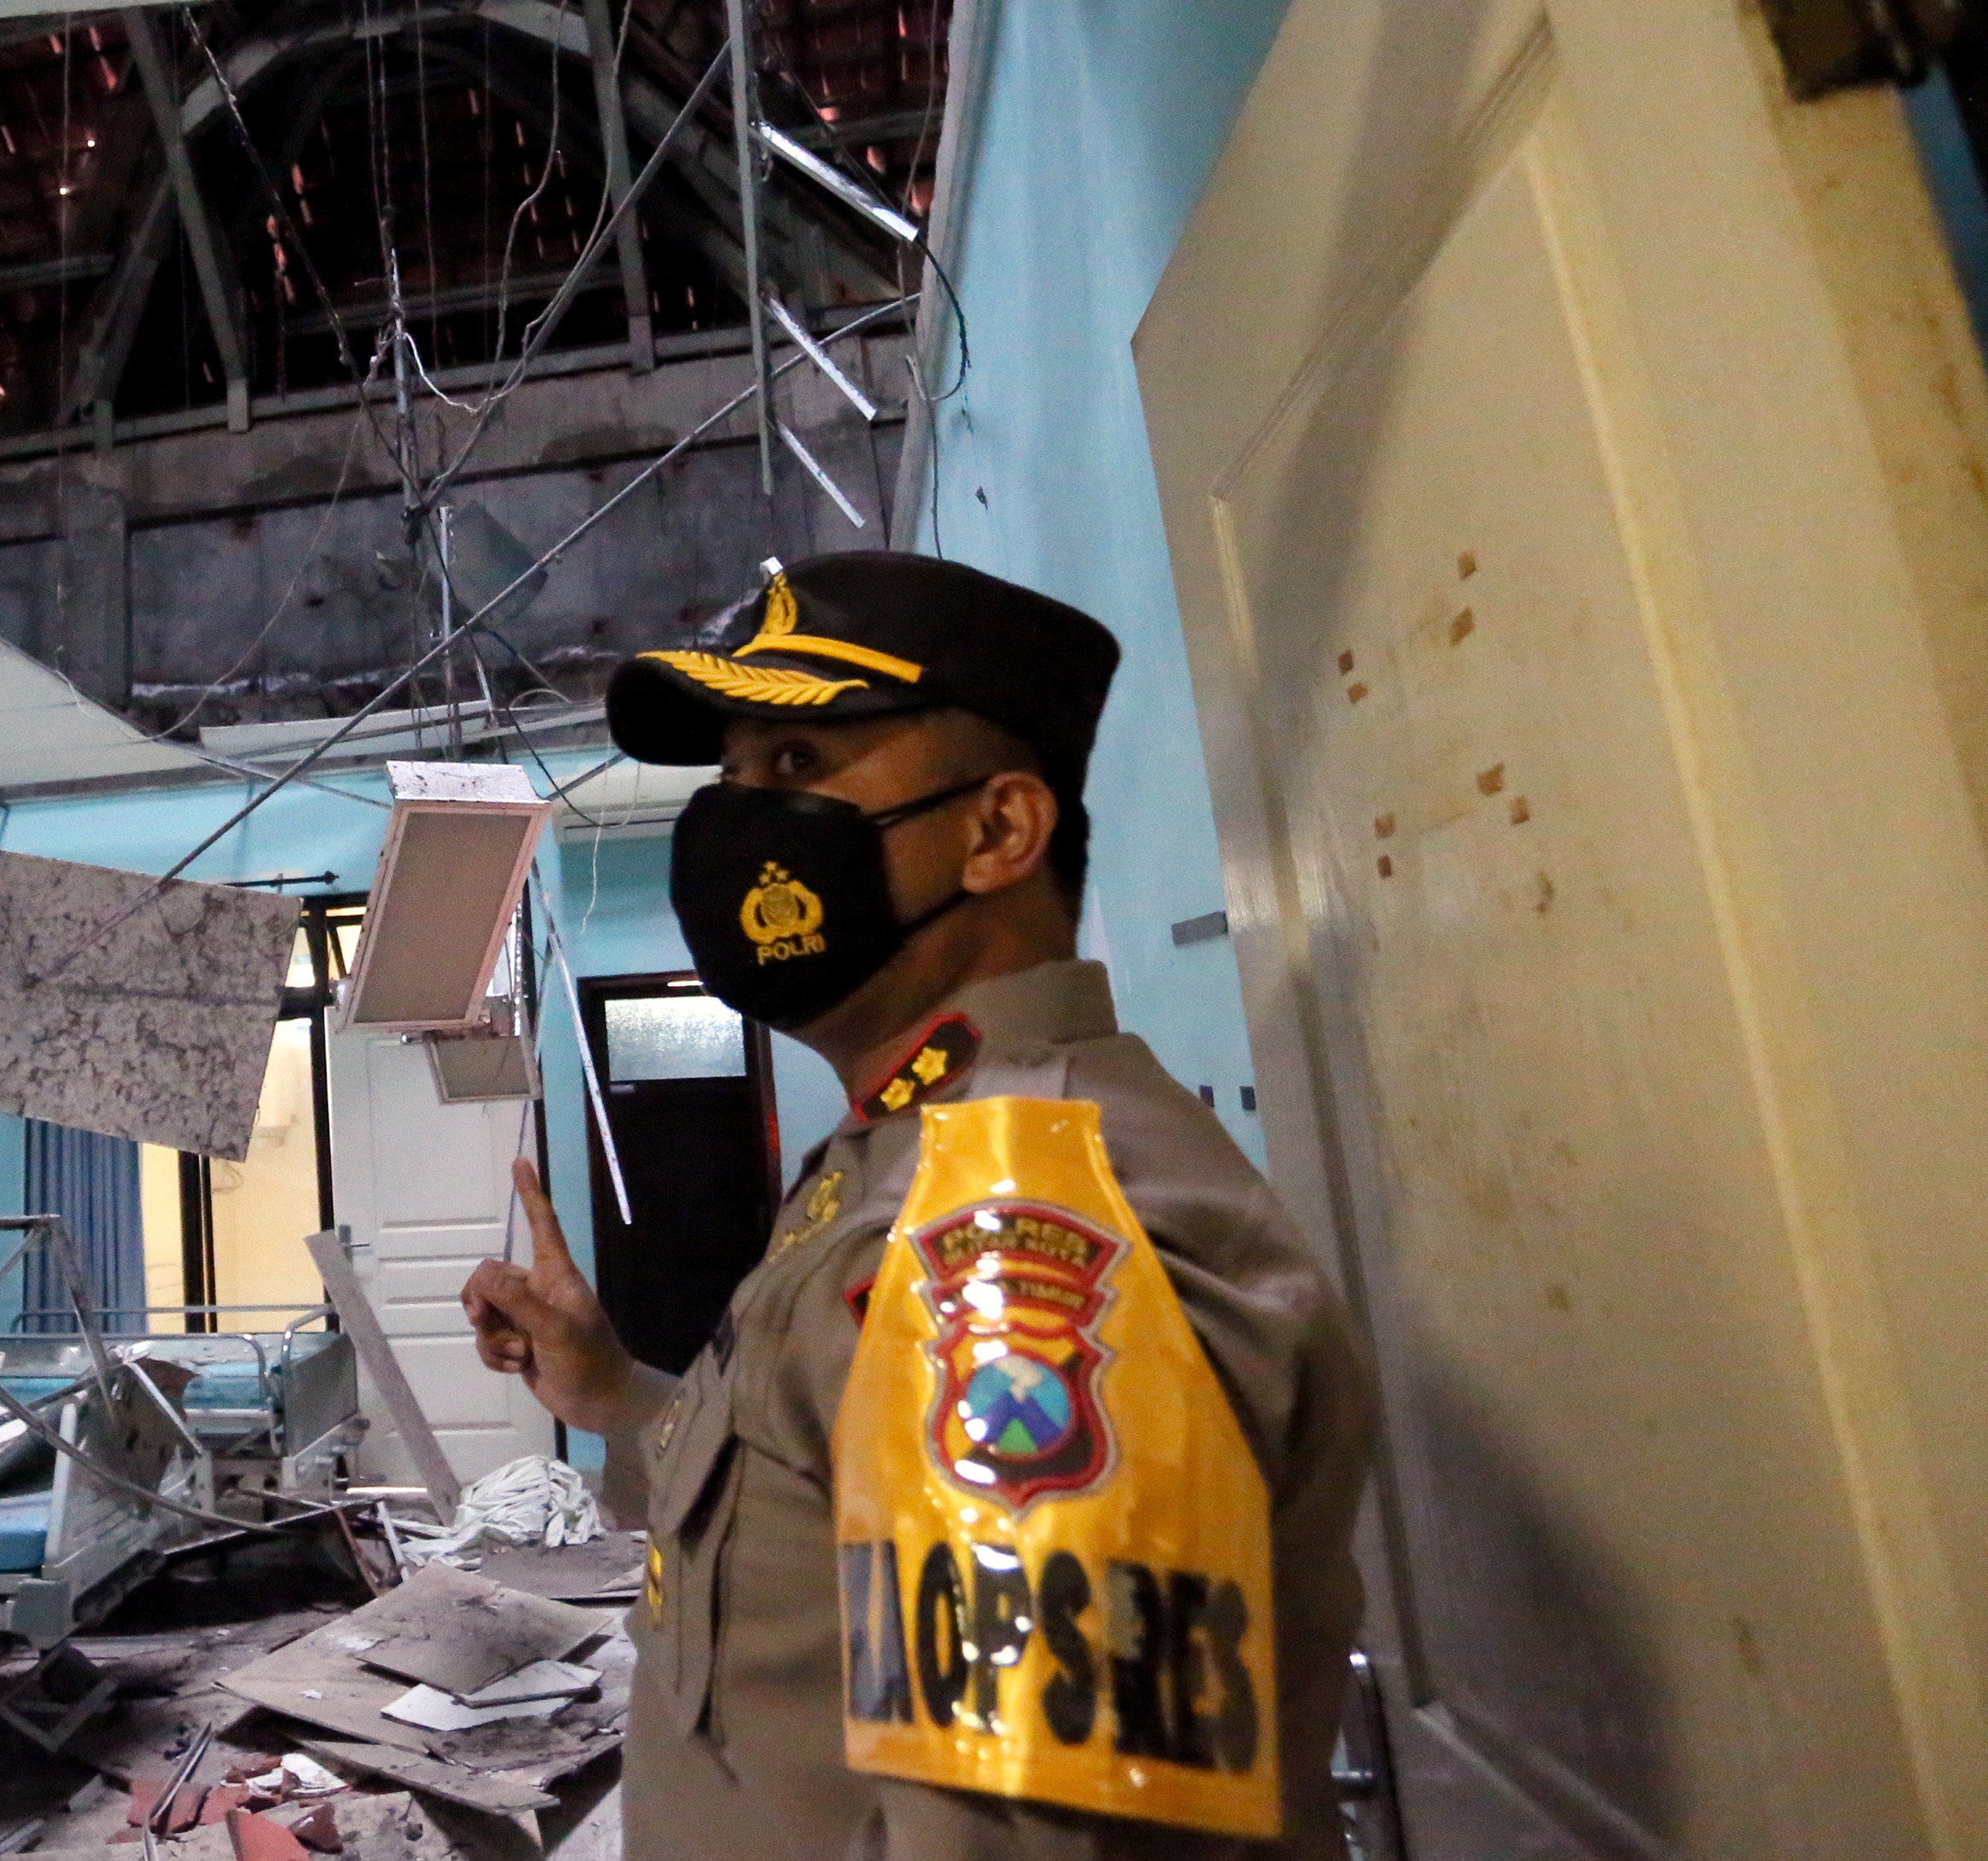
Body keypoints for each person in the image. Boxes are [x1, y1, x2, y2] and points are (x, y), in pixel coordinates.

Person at [463, 552, 1377, 1858]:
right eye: (729, 779)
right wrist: (611, 1393)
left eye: (795, 770)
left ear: (999, 832)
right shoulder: (902, 1152)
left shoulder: (1029, 1233)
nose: (732, 824)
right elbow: (801, 1506)